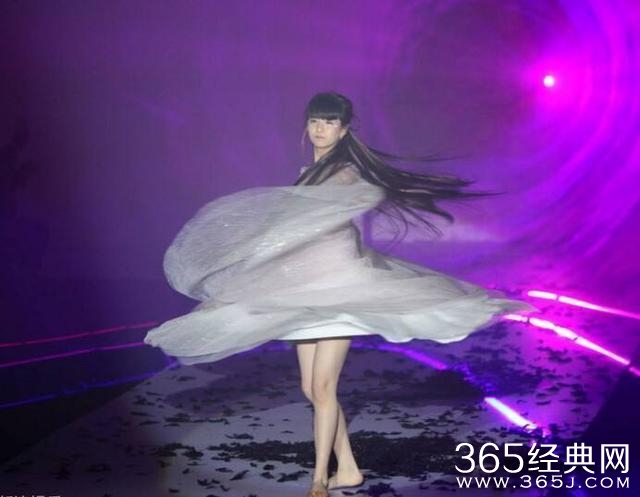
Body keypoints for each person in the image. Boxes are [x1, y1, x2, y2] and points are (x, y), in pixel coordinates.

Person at [144, 91, 537, 497]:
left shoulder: (344, 174)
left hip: (339, 294)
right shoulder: (306, 176)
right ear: (306, 125)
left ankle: (319, 479)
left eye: (330, 122)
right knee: (310, 389)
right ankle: (348, 469)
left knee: (323, 389)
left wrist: (320, 212)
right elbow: (294, 233)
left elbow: (336, 206)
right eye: (315, 120)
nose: (320, 128)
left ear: (344, 130)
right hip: (305, 293)